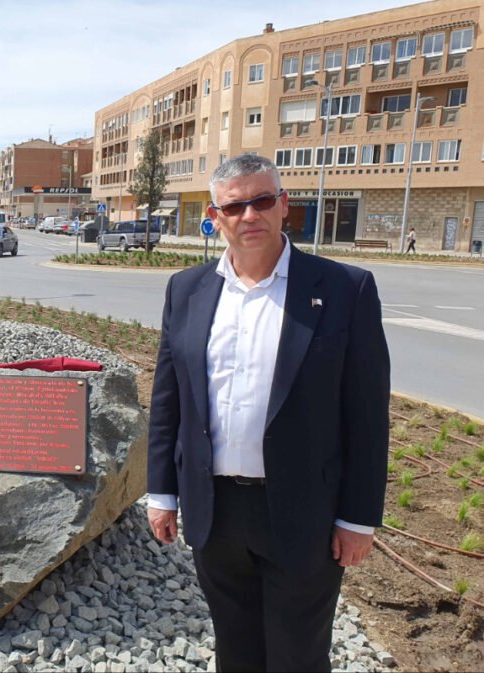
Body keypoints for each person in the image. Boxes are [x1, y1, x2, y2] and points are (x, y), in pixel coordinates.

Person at [147, 154, 390, 672]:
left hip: (304, 513)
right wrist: (162, 493)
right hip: (215, 512)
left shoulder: (345, 289)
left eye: (261, 201)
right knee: (235, 651)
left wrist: (359, 519)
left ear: (284, 206)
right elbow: (170, 401)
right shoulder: (186, 291)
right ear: (214, 218)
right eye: (235, 206)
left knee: (297, 657)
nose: (249, 215)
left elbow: (367, 416)